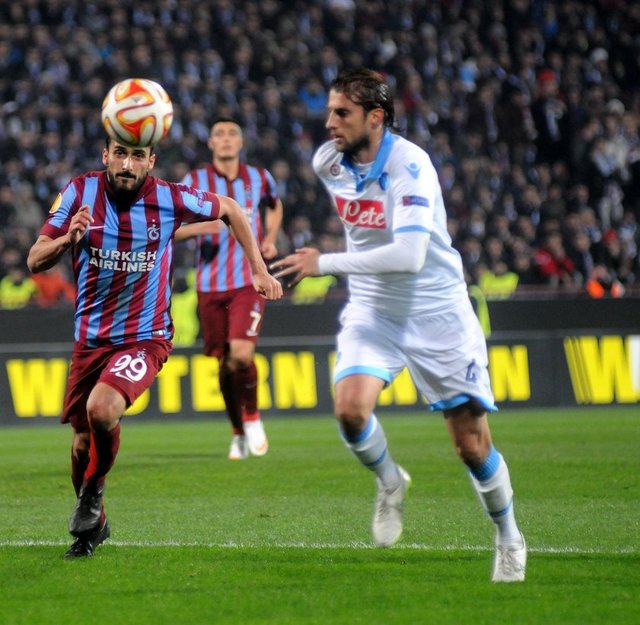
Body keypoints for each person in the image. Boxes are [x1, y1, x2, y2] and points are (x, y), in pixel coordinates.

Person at [271, 69, 526, 582]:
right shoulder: (328, 162)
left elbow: (410, 256)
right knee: (350, 410)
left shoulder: (412, 165)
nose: (329, 123)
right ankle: (390, 482)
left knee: (471, 445)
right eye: (329, 111)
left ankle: (508, 536)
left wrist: (325, 263)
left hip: (437, 313)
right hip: (373, 309)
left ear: (375, 118)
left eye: (342, 113)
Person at [27, 136, 282, 559]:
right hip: (90, 341)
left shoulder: (171, 197)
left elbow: (232, 209)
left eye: (138, 156)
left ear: (151, 161)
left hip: (145, 336)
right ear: (105, 155)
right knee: (81, 444)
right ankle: (95, 525)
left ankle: (94, 490)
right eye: (120, 153)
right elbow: (35, 259)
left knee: (102, 409)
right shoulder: (78, 192)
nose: (128, 164)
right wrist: (67, 239)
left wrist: (258, 270)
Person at [175, 118, 283, 460]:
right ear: (210, 143)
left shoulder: (259, 177)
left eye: (231, 134)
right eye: (218, 134)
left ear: (240, 143)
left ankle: (252, 416)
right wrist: (204, 227)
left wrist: (270, 237)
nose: (225, 139)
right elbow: (170, 226)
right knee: (225, 364)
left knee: (242, 354)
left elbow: (275, 204)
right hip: (209, 285)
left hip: (248, 282)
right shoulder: (195, 182)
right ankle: (237, 431)